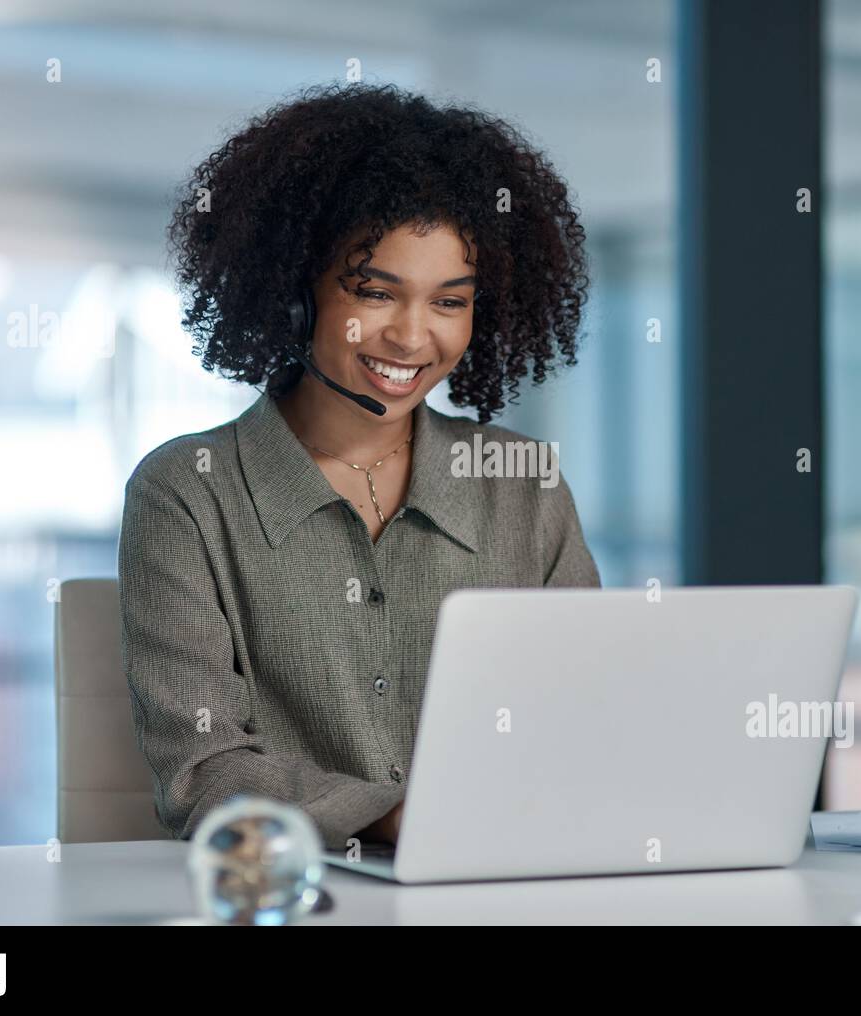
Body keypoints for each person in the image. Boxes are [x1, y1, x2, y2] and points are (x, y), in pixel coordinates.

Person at [118, 82, 599, 852]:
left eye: (450, 302)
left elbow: (588, 719)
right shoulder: (189, 490)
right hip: (297, 893)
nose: (412, 337)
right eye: (374, 292)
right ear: (295, 291)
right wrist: (401, 818)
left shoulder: (523, 483)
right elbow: (202, 775)